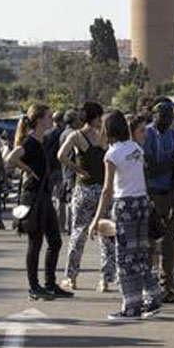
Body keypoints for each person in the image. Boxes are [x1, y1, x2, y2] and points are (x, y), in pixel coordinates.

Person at [91, 110, 161, 320]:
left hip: (125, 205)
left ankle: (131, 306)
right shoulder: (136, 148)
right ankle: (152, 297)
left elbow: (107, 189)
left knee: (125, 257)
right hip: (141, 202)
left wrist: (96, 219)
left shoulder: (112, 154)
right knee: (140, 254)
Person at [7, 104, 72, 301]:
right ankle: (34, 286)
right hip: (33, 197)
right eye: (48, 117)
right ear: (39, 120)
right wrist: (27, 169)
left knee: (55, 241)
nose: (51, 119)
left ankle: (50, 284)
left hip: (44, 195)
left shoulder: (43, 140)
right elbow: (10, 158)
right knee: (35, 243)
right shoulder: (30, 142)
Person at [57, 101, 116, 292]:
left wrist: (78, 169)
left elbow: (61, 155)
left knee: (78, 234)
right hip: (104, 191)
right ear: (97, 117)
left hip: (84, 189)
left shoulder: (76, 136)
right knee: (106, 236)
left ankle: (71, 277)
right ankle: (105, 279)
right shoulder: (105, 136)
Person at [143, 100, 174, 303]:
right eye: (162, 116)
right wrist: (172, 162)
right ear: (154, 116)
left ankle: (166, 287)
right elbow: (149, 168)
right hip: (151, 194)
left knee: (169, 244)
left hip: (170, 193)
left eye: (169, 116)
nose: (166, 120)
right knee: (149, 243)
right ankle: (146, 287)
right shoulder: (147, 134)